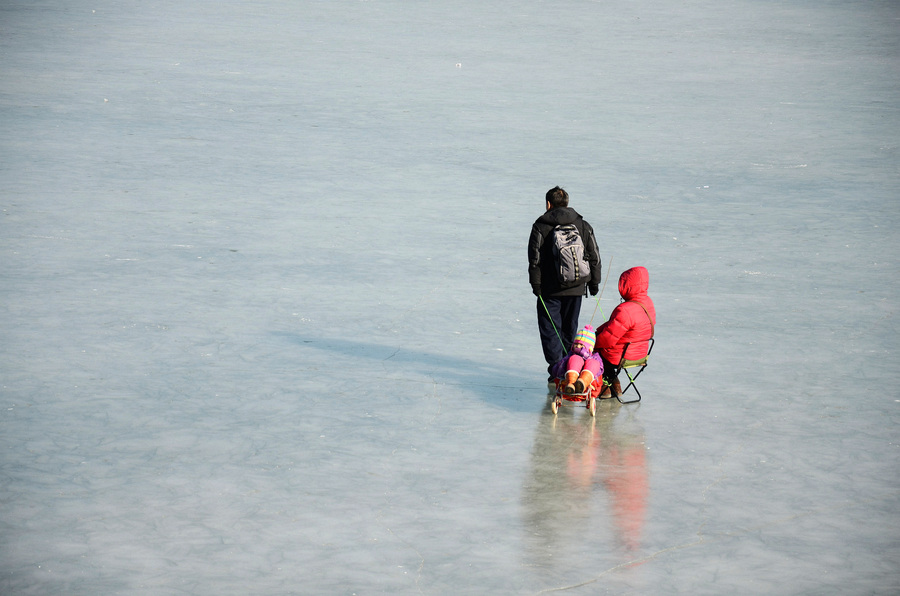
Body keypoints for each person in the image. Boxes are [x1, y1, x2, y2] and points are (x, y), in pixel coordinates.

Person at [528, 186, 602, 382]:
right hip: (576, 287)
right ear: (567, 203)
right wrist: (594, 284)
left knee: (550, 329)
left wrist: (537, 287)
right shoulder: (582, 225)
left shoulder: (540, 226)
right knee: (570, 329)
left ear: (548, 204)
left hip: (550, 290)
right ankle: (571, 368)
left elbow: (534, 260)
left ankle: (557, 370)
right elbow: (594, 256)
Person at [593, 266, 656, 397]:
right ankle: (615, 384)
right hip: (640, 354)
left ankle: (604, 386)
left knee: (595, 352)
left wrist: (593, 341)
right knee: (609, 350)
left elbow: (608, 339)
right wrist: (600, 330)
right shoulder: (648, 303)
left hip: (621, 357)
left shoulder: (625, 309)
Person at [549, 325, 604, 394]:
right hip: (569, 378)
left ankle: (582, 382)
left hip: (588, 379)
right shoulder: (571, 355)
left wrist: (586, 355)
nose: (578, 346)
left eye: (582, 345)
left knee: (594, 363)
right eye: (576, 344)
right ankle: (571, 384)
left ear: (590, 348)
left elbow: (600, 369)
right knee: (575, 359)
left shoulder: (595, 356)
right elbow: (557, 368)